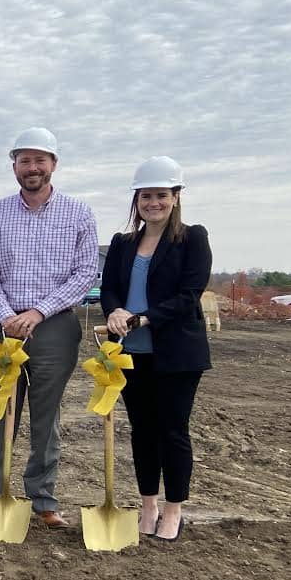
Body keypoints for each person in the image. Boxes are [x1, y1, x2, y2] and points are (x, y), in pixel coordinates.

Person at [0, 128, 99, 528]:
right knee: (1, 414)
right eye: (24, 160)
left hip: (55, 328)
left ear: (53, 165)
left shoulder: (78, 214)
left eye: (39, 160)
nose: (32, 168)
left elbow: (85, 274)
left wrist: (38, 313)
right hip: (2, 329)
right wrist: (7, 315)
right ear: (14, 166)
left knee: (46, 417)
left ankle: (43, 499)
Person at [102, 157, 211, 542]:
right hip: (132, 353)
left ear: (176, 197)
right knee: (143, 431)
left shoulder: (192, 238)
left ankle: (173, 509)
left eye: (161, 195)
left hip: (176, 354)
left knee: (172, 431)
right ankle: (147, 505)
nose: (154, 202)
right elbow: (110, 287)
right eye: (146, 196)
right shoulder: (123, 243)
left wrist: (145, 318)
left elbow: (189, 295)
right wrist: (115, 309)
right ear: (137, 200)